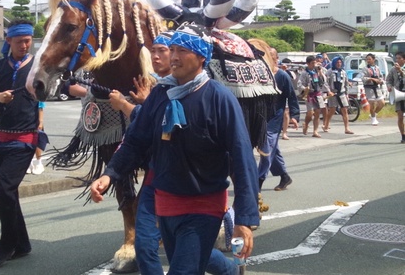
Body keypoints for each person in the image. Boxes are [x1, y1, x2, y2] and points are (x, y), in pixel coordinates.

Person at [91, 23, 259, 274]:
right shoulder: (160, 94)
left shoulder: (219, 98)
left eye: (183, 50)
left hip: (204, 205)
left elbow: (241, 158)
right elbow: (136, 140)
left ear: (202, 56)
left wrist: (245, 219)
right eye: (173, 49)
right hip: (165, 203)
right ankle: (230, 271)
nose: (175, 56)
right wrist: (109, 174)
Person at [0, 20, 39, 270]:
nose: (25, 45)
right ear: (8, 41)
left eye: (28, 41)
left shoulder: (38, 66)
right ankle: (22, 244)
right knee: (6, 193)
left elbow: (64, 86)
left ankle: (7, 243)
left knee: (2, 189)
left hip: (24, 140)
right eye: (19, 41)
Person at [254, 44, 300, 192]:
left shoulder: (282, 76)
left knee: (266, 150)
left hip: (275, 119)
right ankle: (284, 176)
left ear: (276, 59)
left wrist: (294, 116)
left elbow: (292, 97)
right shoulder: (260, 75)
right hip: (261, 117)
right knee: (273, 150)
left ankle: (258, 181)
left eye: (271, 57)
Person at [298, 55, 330, 138]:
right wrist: (304, 88)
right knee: (310, 113)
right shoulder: (304, 73)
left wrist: (320, 72)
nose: (314, 64)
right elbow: (299, 84)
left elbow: (323, 82)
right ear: (308, 64)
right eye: (312, 63)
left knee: (317, 112)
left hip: (318, 93)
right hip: (309, 94)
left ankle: (315, 131)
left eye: (315, 63)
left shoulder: (316, 72)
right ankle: (306, 123)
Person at [323, 56, 354, 135]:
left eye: (340, 62)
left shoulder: (343, 72)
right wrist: (328, 91)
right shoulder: (329, 72)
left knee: (344, 111)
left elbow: (346, 83)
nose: (339, 64)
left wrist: (347, 93)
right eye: (337, 62)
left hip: (342, 93)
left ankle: (347, 128)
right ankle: (326, 125)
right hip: (333, 93)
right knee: (332, 110)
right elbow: (325, 82)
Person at [386, 51, 405, 143]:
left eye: (399, 58)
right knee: (400, 116)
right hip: (399, 94)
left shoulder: (401, 69)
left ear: (404, 59)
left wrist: (401, 71)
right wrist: (389, 86)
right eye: (396, 58)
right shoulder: (393, 69)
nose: (397, 60)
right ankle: (403, 135)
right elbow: (388, 79)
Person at [361, 53, 385, 125]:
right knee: (371, 104)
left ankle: (374, 114)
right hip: (369, 88)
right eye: (367, 59)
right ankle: (373, 119)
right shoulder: (365, 69)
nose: (368, 60)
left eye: (369, 59)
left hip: (377, 87)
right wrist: (372, 79)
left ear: (373, 60)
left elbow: (381, 76)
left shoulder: (377, 68)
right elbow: (363, 78)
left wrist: (380, 80)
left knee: (382, 103)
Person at [26, 101, 47, 175]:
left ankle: (39, 163)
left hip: (35, 121)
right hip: (24, 122)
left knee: (37, 143)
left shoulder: (37, 93)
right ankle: (29, 163)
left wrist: (40, 122)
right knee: (26, 143)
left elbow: (41, 108)